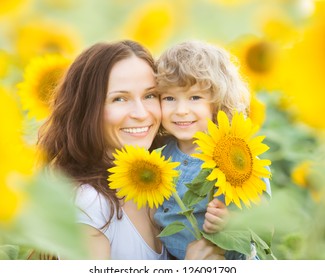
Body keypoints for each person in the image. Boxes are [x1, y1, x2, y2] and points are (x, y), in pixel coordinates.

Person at [37, 40, 225, 260]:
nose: (141, 113)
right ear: (88, 110)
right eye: (119, 99)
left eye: (150, 95)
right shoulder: (92, 205)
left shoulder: (166, 180)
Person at [154, 40, 272, 260]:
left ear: (217, 103)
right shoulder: (160, 153)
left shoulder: (236, 156)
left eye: (195, 97)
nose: (180, 110)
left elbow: (264, 222)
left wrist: (232, 223)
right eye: (169, 98)